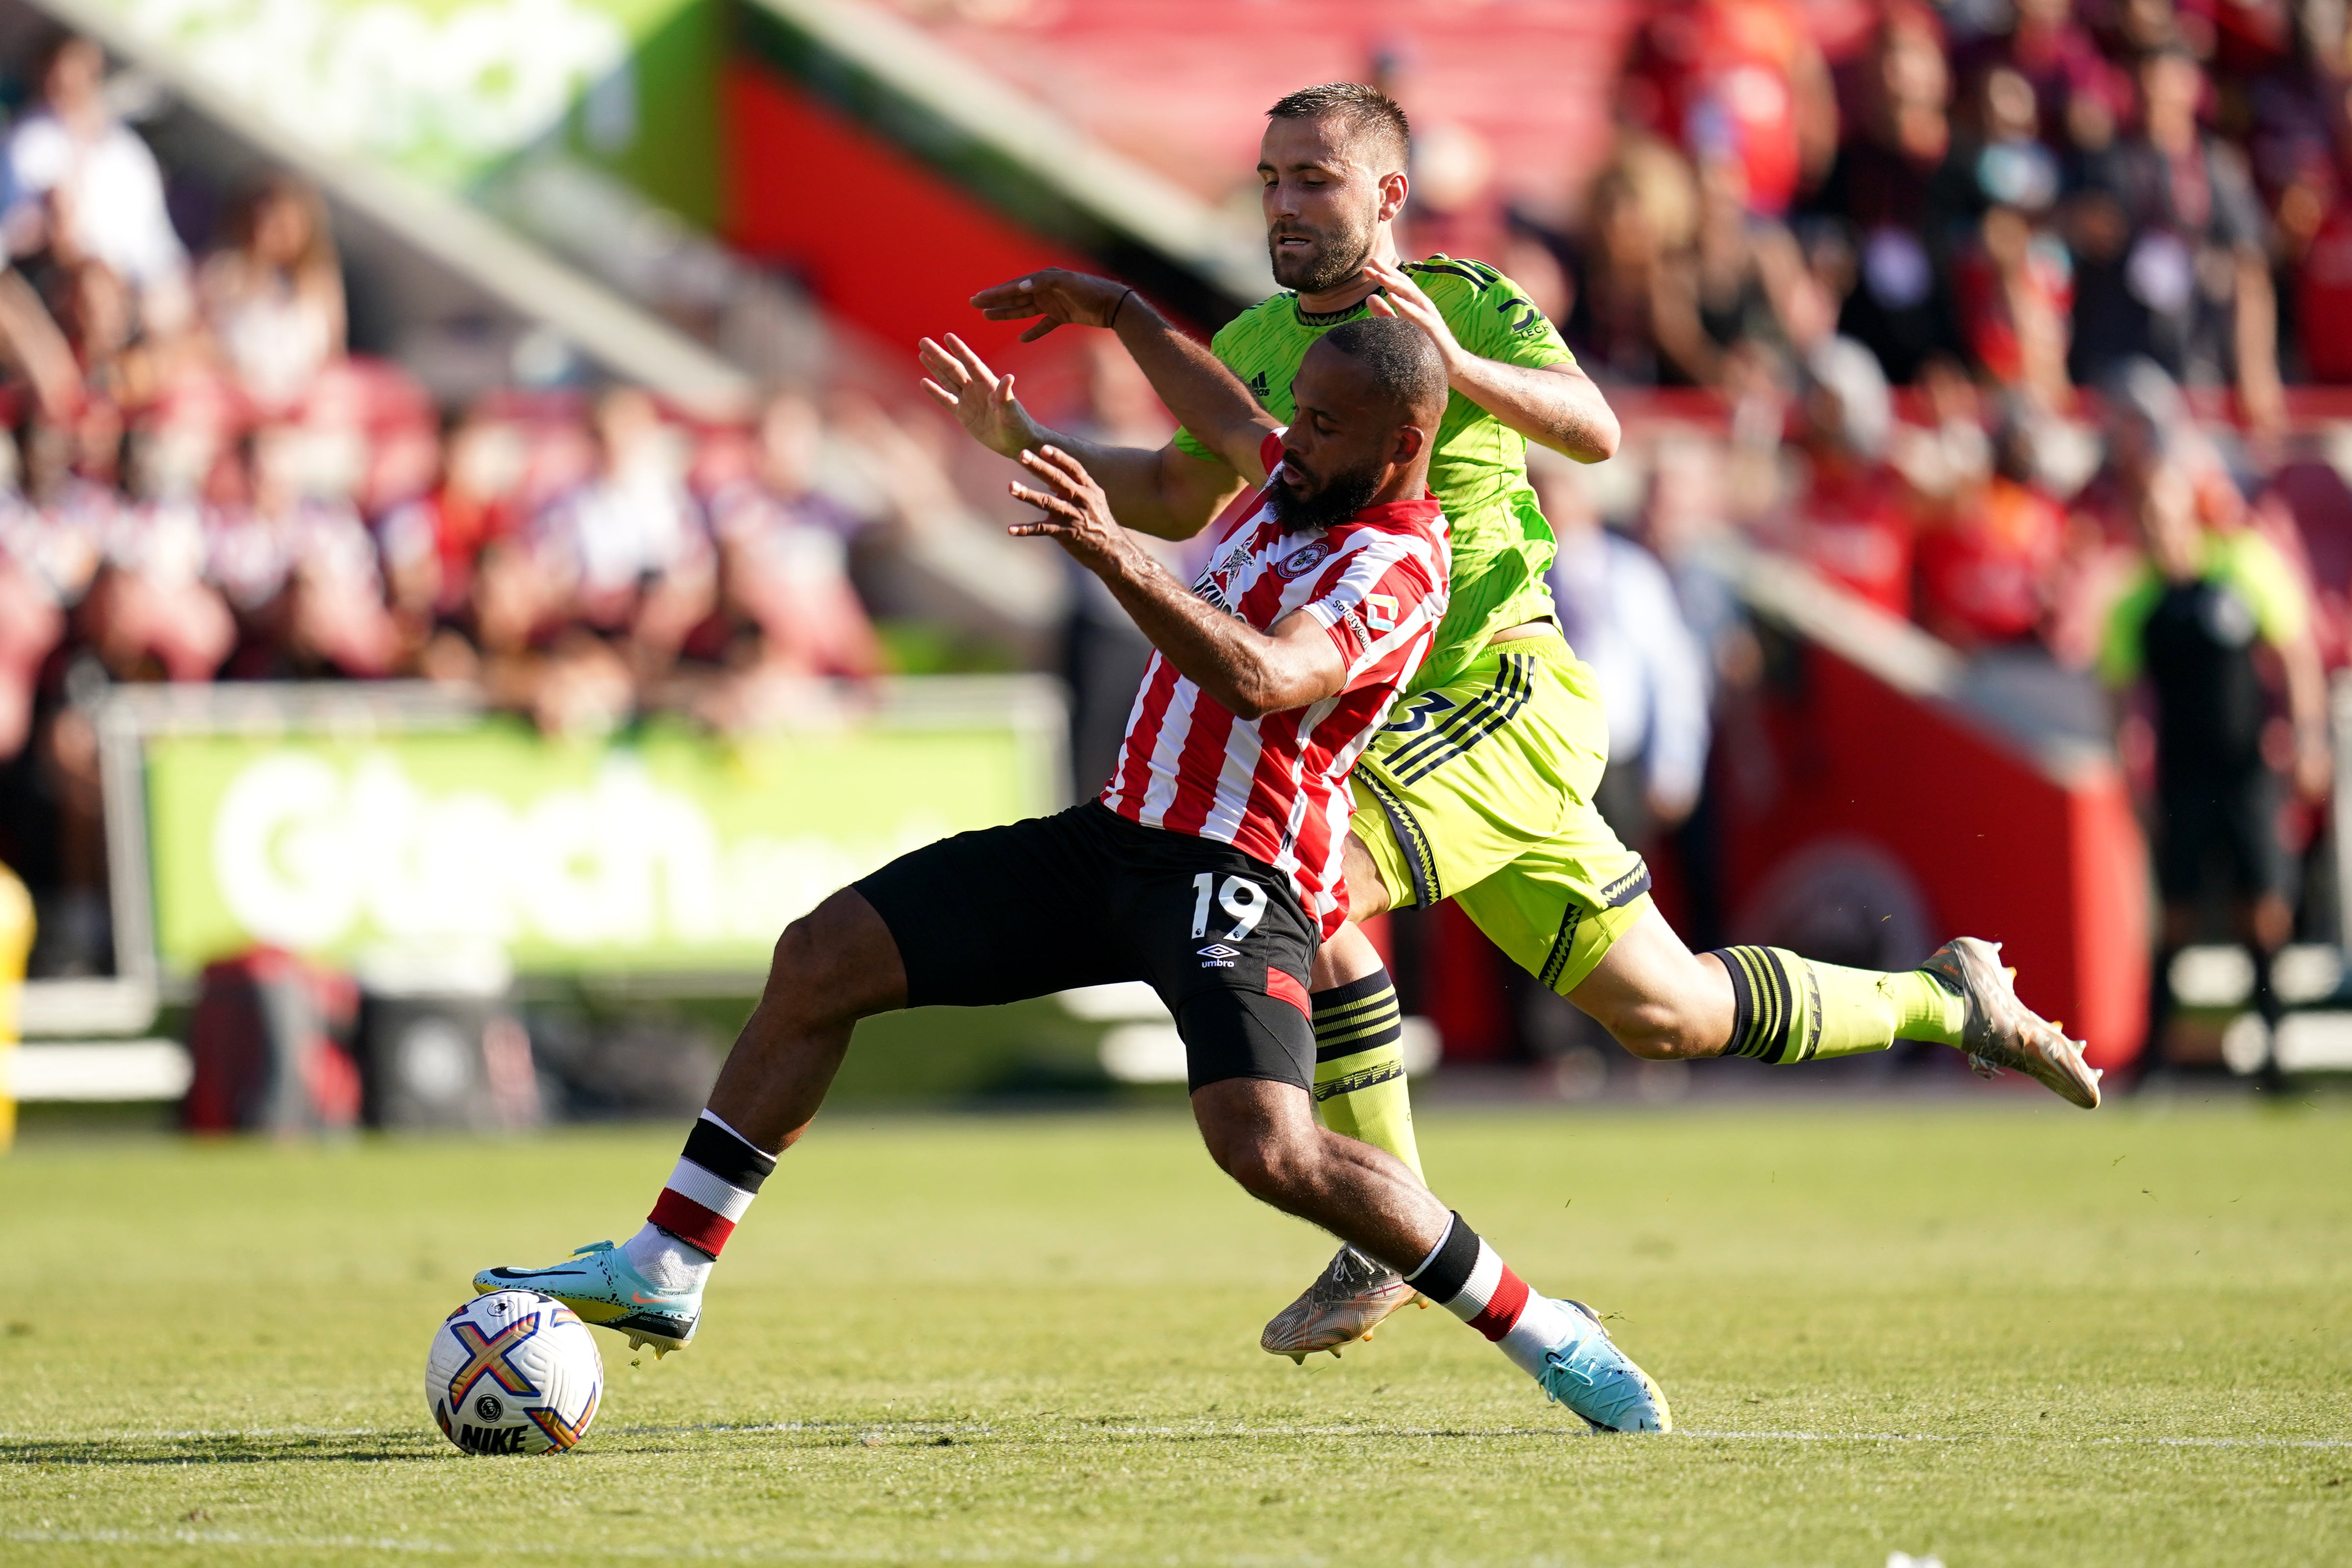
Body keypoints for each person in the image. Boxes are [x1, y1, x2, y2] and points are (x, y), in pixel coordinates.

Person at [925, 82, 2102, 1363]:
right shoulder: (1263, 340)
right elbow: (1175, 486)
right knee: (1672, 1013)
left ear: (1386, 194)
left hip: (1501, 692)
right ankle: (1948, 998)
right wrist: (1031, 438)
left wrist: (1458, 358)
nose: (1283, 203)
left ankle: (1389, 1230)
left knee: (1300, 883)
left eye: (1313, 179)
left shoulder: (1467, 296)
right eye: (1269, 178)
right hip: (1393, 715)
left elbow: (1595, 431)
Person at [477, 318, 1677, 1435]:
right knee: (821, 955)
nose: (1287, 439)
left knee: (1271, 1151)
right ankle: (666, 1266)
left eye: (1317, 424)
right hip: (1113, 840)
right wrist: (1106, 311)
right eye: (1294, 415)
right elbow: (1224, 417)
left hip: (1235, 874)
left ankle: (1544, 1330)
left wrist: (1114, 553)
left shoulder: (1397, 564)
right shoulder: (1305, 470)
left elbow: (1265, 676)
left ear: (1402, 442)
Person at [2098, 455, 2329, 1080]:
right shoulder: (2136, 603)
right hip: (2181, 775)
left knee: (2262, 907)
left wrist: (2306, 738)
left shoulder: (2241, 570)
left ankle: (2274, 1056)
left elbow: (2294, 654)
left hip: (2245, 771)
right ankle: (2153, 1063)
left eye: (2167, 516)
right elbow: (2120, 703)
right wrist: (2132, 780)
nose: (2159, 530)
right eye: (2148, 518)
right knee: (2173, 912)